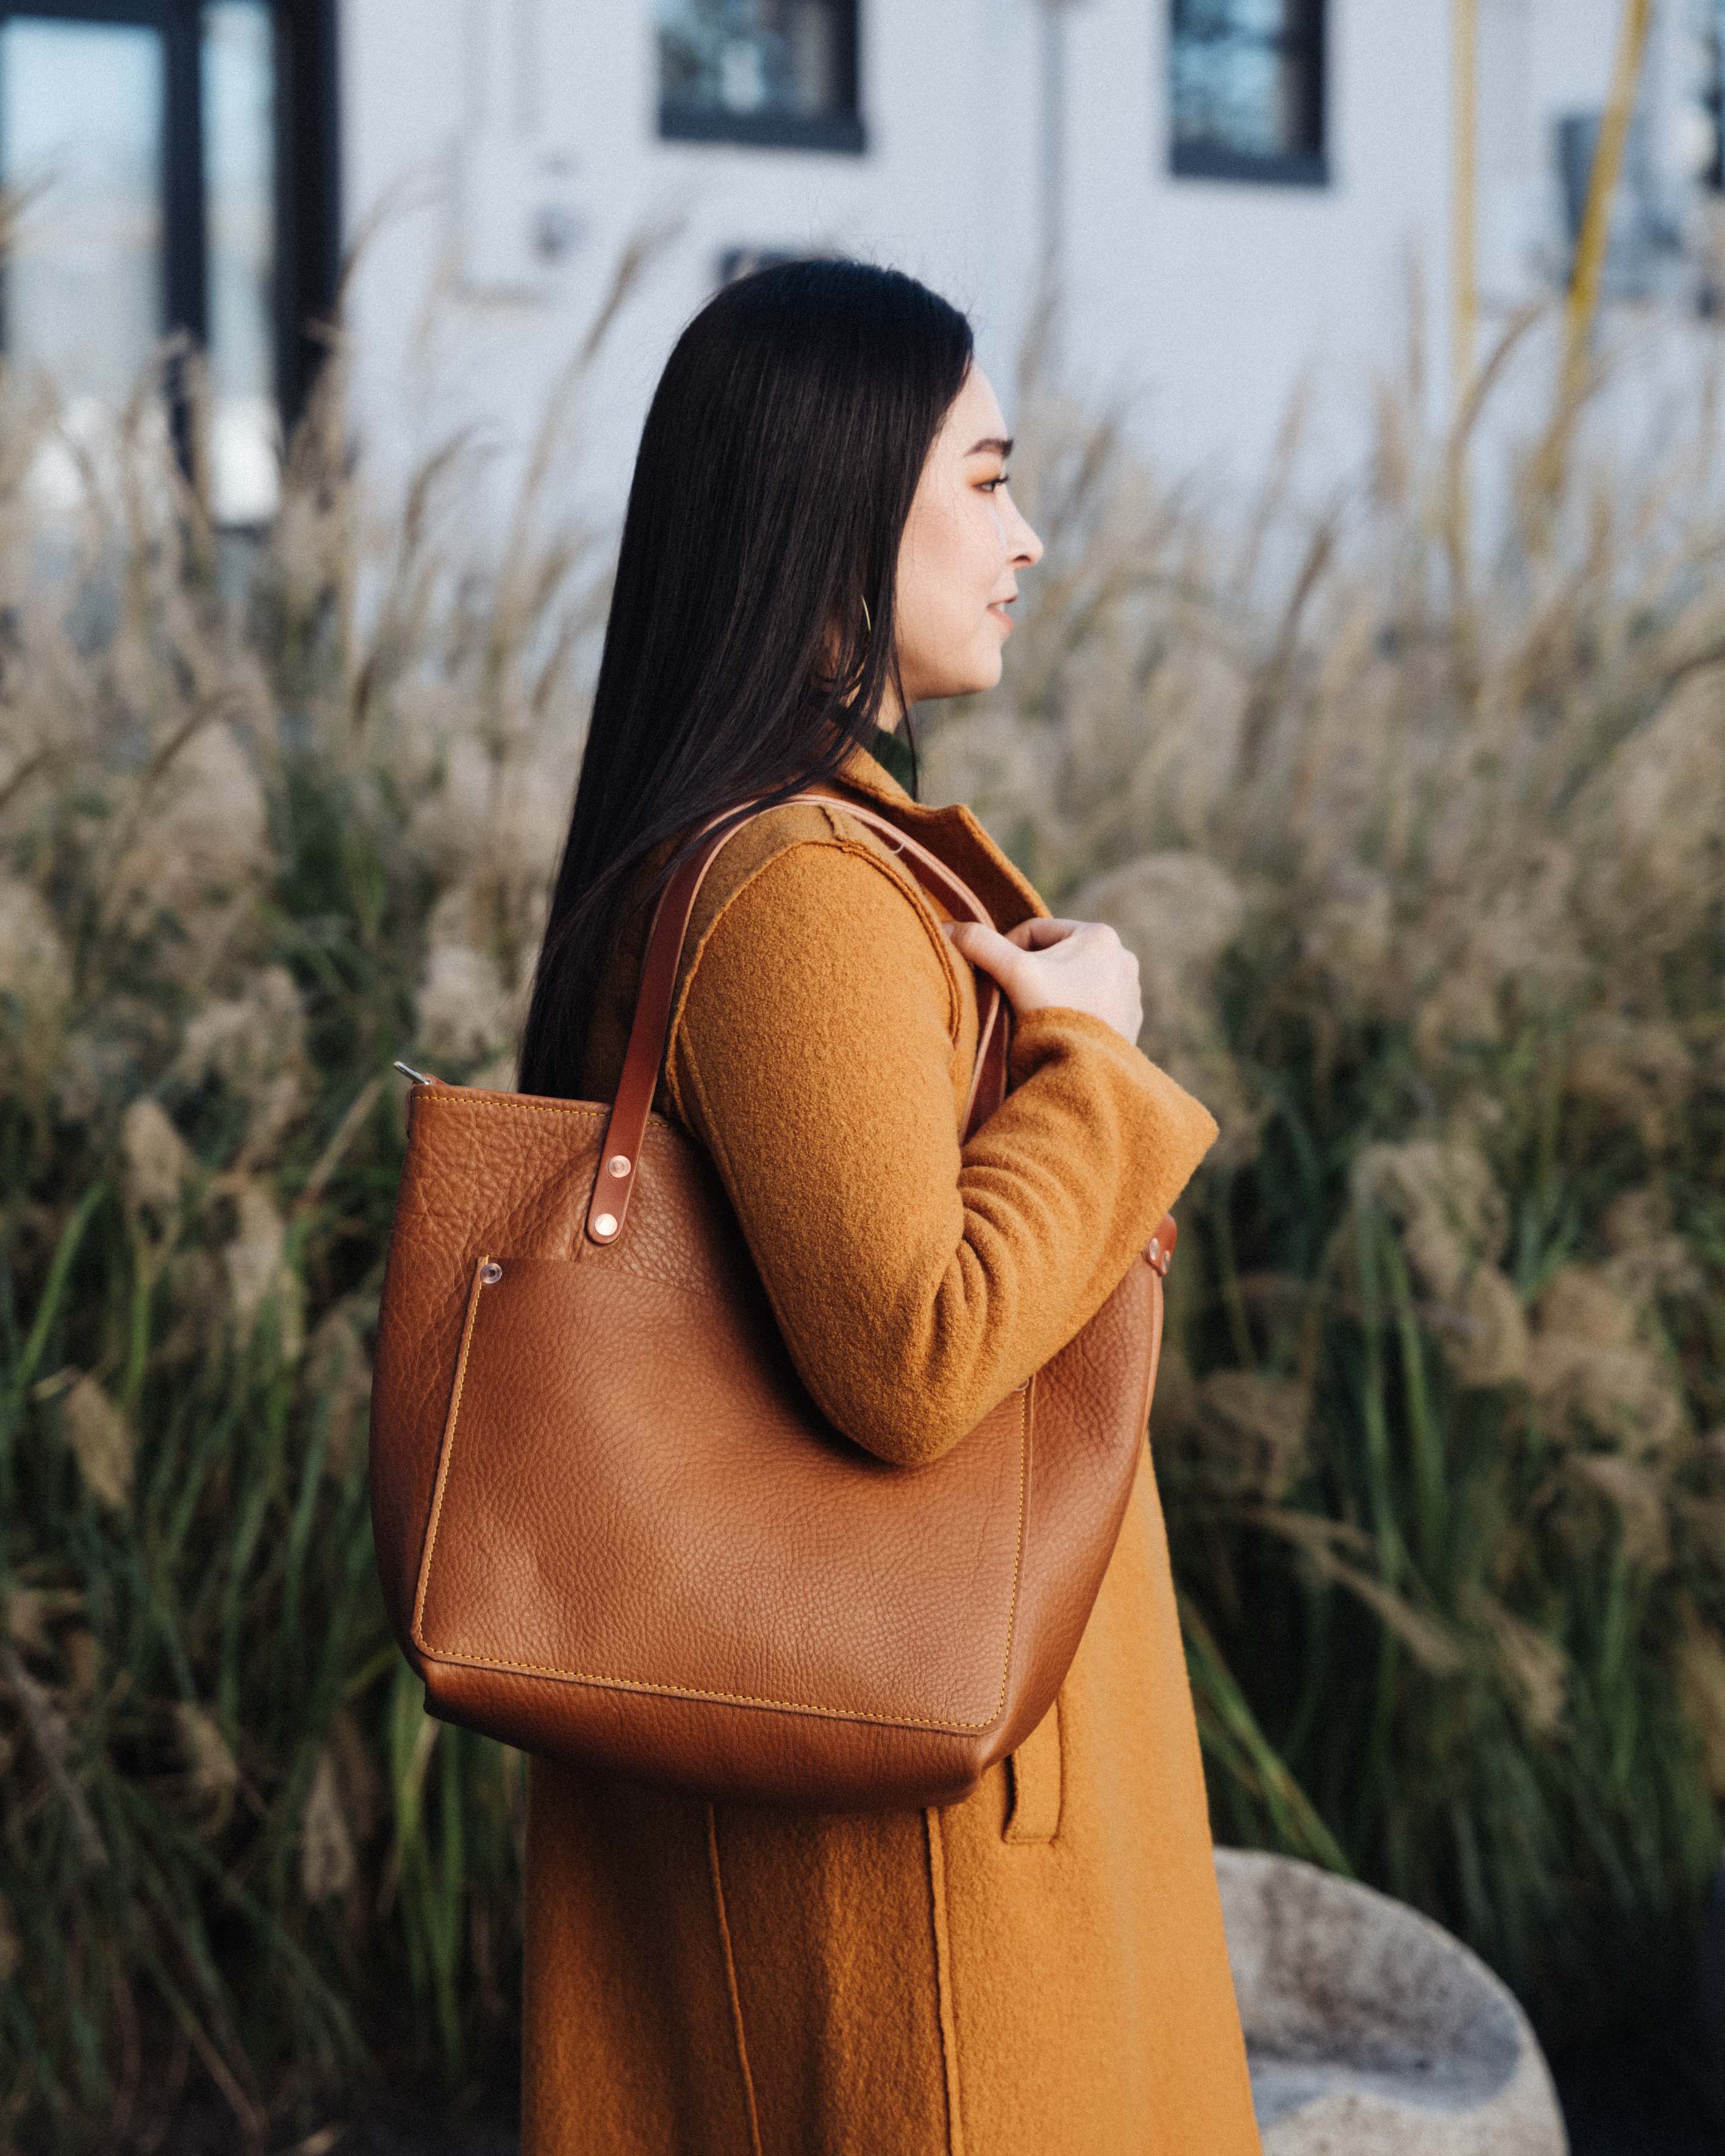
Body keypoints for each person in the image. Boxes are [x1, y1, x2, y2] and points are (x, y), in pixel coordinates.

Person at [514, 259, 1260, 2156]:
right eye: (988, 478)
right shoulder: (800, 893)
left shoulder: (792, 859)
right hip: (915, 1872)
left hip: (902, 1805)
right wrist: (1094, 1061)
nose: (1029, 537)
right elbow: (915, 1355)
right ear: (841, 514)